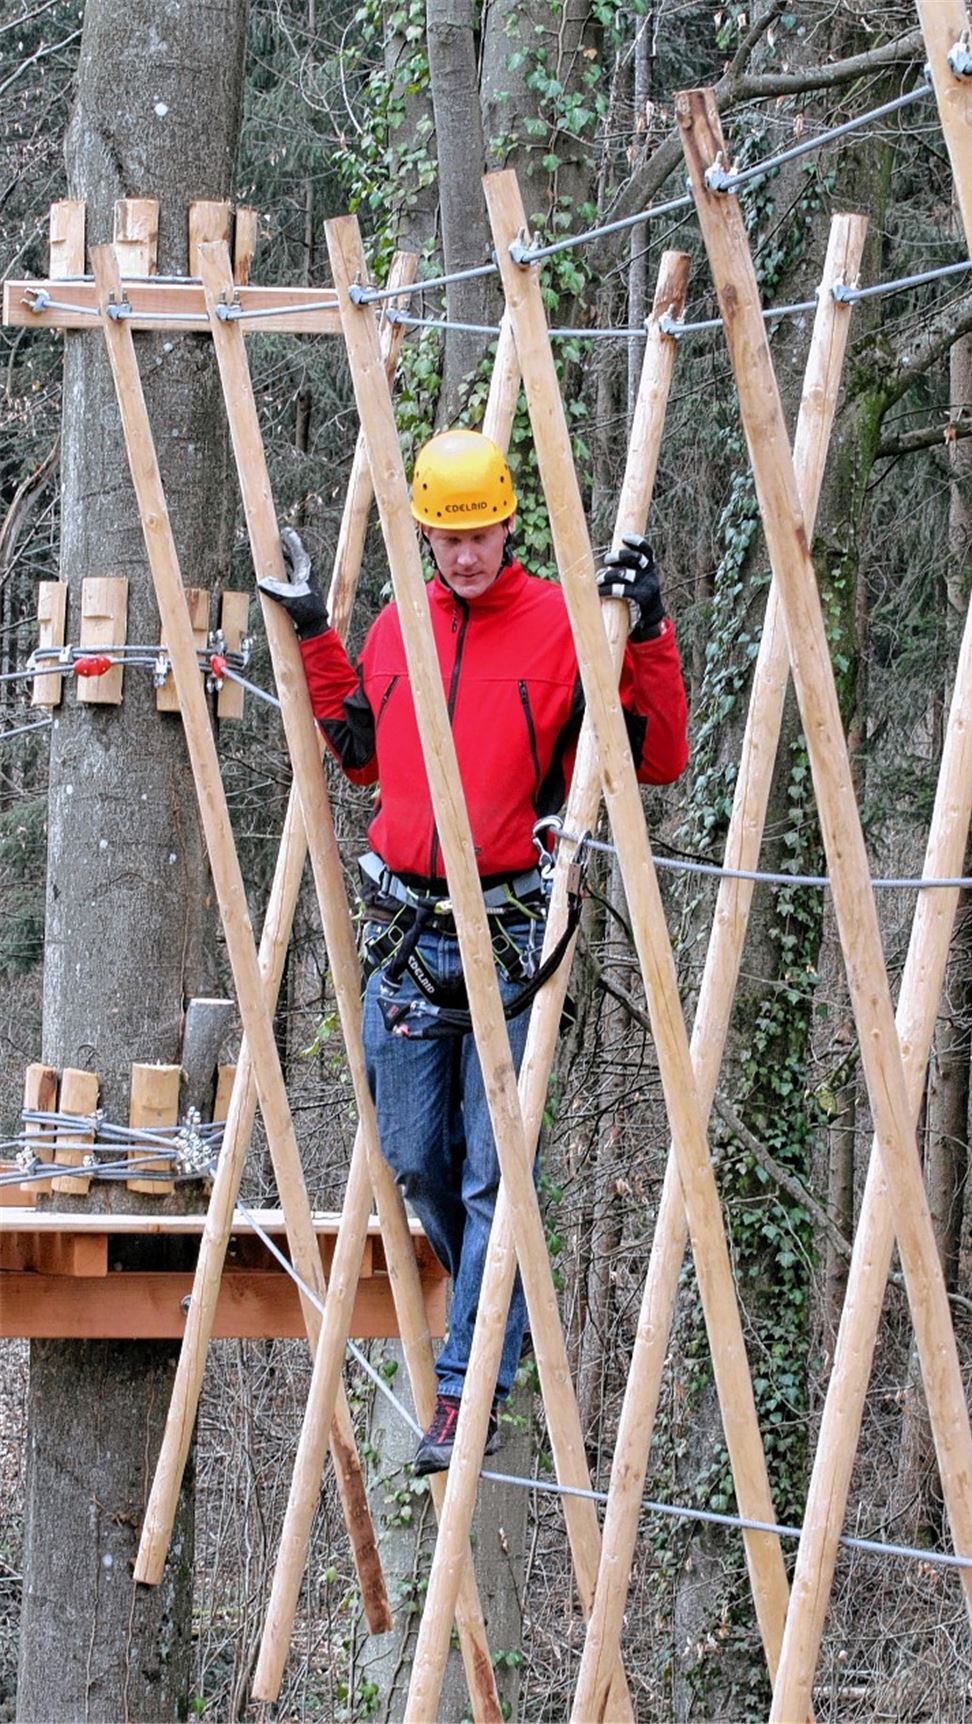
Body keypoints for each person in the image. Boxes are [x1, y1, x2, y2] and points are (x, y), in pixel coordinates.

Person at [261, 427, 688, 1474]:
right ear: (426, 533)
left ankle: (463, 1390)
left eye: (480, 533)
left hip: (502, 931)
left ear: (509, 523)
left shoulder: (558, 628)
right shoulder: (402, 624)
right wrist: (317, 625)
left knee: (499, 1174)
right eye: (446, 537)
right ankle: (507, 1304)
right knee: (418, 1158)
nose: (464, 554)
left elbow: (659, 755)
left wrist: (649, 630)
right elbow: (358, 752)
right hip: (407, 934)